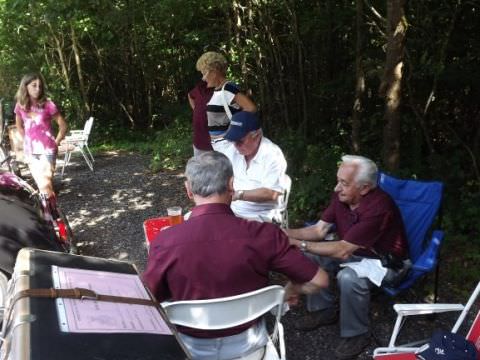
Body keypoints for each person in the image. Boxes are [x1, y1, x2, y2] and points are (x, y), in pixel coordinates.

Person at [143, 151, 328, 360]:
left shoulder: (165, 242)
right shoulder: (264, 234)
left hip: (190, 351)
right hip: (252, 350)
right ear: (232, 184)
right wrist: (287, 291)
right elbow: (319, 280)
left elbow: (147, 301)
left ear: (188, 190)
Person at [285, 155, 409, 360]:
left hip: (387, 263)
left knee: (349, 278)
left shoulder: (379, 207)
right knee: (309, 255)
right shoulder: (343, 197)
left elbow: (342, 250)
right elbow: (318, 230)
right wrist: (285, 233)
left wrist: (299, 244)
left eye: (344, 183)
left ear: (365, 188)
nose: (336, 188)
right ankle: (322, 310)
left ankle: (358, 334)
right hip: (355, 252)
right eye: (338, 180)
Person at [14, 73, 67, 213]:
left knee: (45, 184)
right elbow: (19, 125)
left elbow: (63, 125)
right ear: (25, 87)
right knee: (42, 186)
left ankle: (53, 216)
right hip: (30, 152)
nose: (37, 89)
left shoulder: (48, 104)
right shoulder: (20, 105)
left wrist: (56, 142)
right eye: (34, 85)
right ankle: (51, 216)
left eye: (40, 86)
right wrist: (26, 139)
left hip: (47, 150)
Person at [222, 111, 287, 222]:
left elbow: (272, 193)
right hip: (232, 213)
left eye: (240, 141)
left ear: (257, 136)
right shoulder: (232, 150)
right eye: (233, 140)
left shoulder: (272, 155)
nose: (236, 145)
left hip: (262, 218)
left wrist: (239, 195)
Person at [195, 51, 256, 152]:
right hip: (220, 146)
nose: (203, 78)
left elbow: (251, 108)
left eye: (204, 73)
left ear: (214, 72)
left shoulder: (228, 88)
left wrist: (234, 130)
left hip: (229, 145)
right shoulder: (218, 90)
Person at [188, 80, 214, 156]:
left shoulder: (222, 89)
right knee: (199, 164)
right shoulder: (201, 86)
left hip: (215, 140)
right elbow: (190, 95)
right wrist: (195, 109)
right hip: (199, 138)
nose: (205, 76)